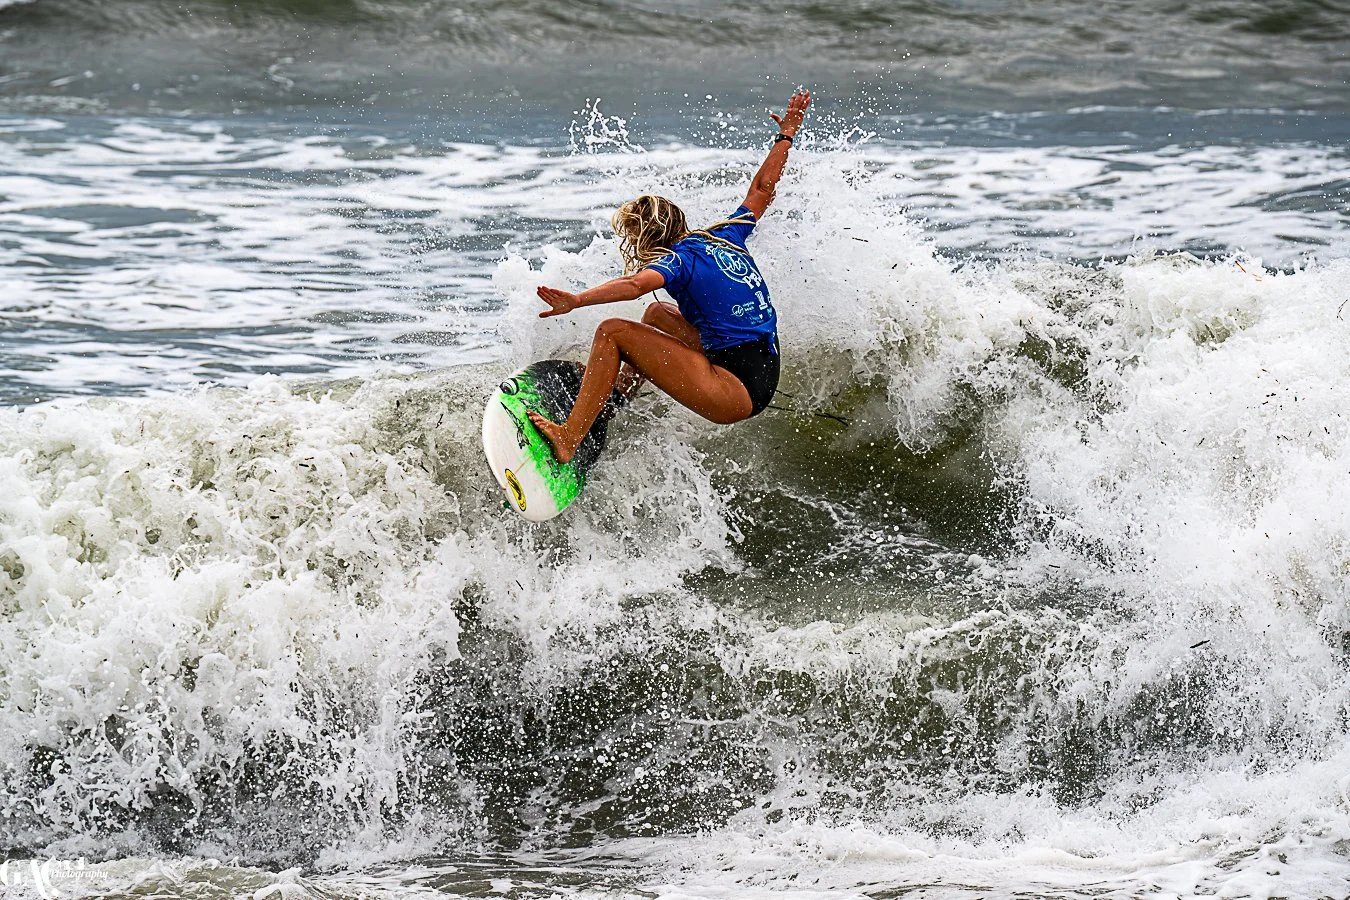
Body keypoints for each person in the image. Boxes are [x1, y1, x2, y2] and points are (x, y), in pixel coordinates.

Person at [527, 89, 812, 464]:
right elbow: (762, 189)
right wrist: (787, 133)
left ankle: (569, 437)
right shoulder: (725, 234)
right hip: (762, 369)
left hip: (733, 389)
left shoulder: (677, 261)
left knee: (612, 331)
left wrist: (577, 300)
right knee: (656, 316)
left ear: (645, 239)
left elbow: (634, 286)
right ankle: (614, 398)